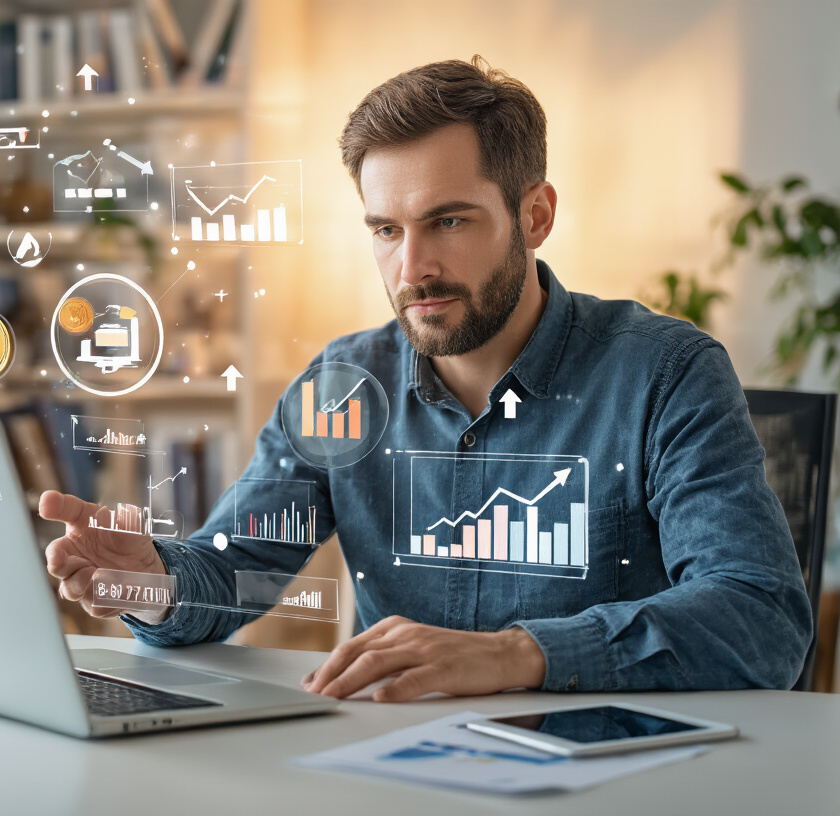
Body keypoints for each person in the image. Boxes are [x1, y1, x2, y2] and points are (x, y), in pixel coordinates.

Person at [40, 56, 812, 702]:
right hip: (386, 773)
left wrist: (515, 655)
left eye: (448, 221)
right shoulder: (342, 387)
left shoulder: (665, 373)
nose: (412, 269)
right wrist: (154, 584)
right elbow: (233, 574)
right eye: (386, 229)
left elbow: (762, 617)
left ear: (535, 216)